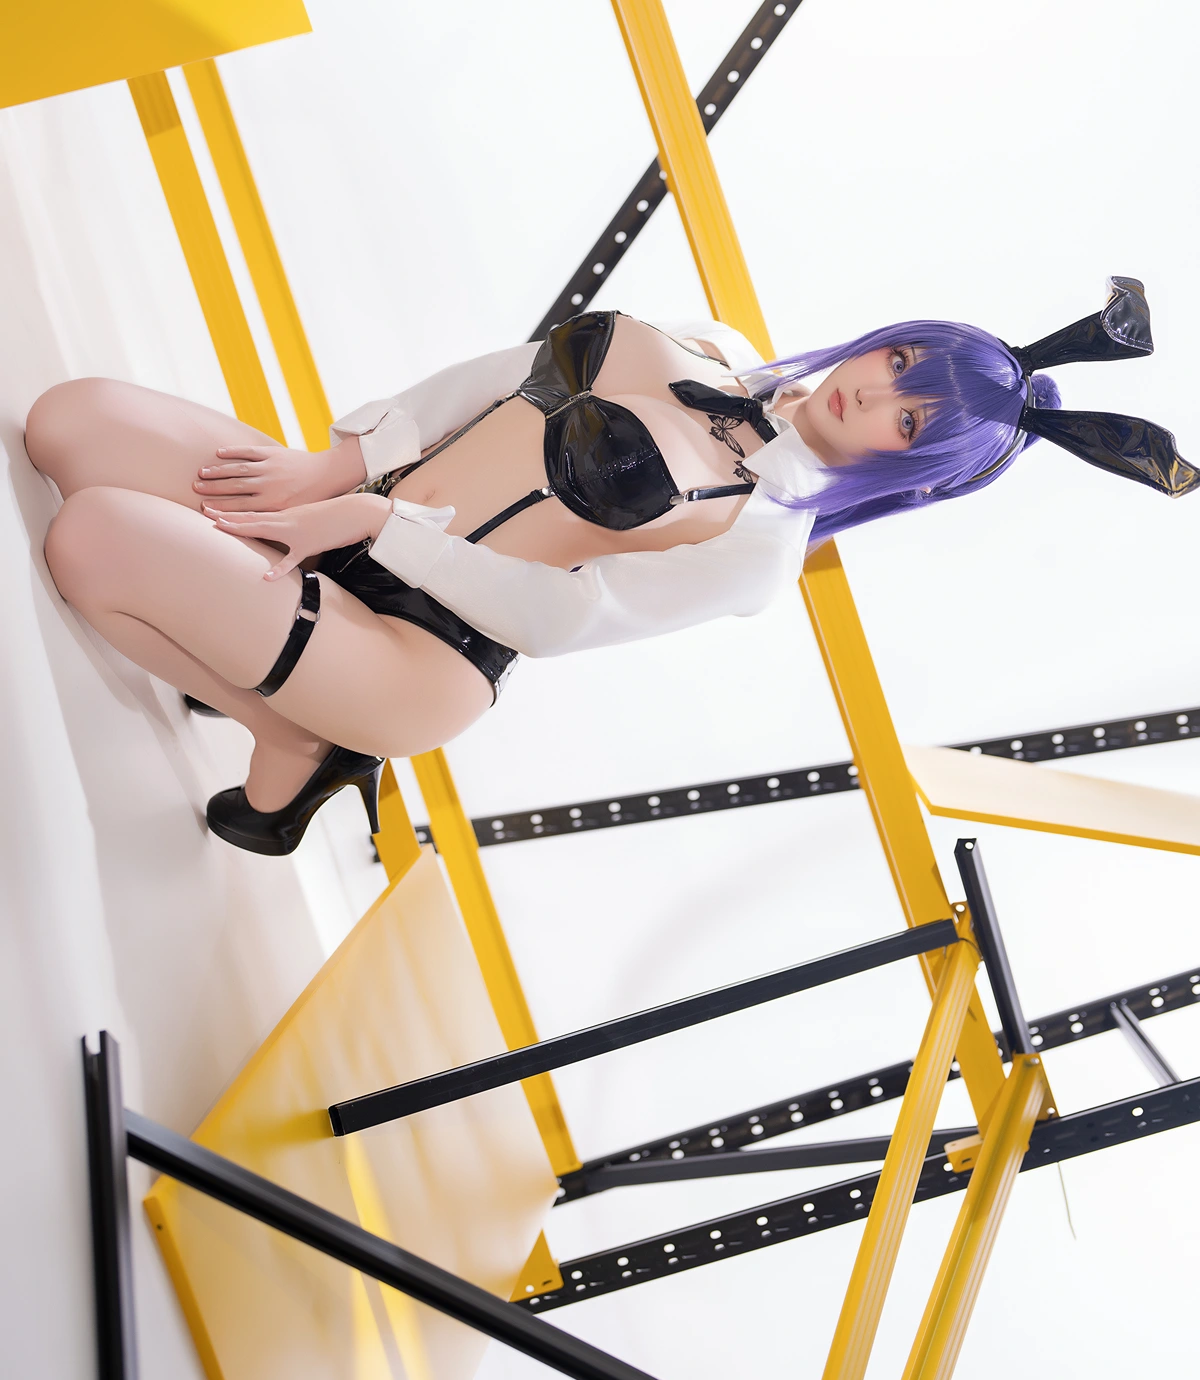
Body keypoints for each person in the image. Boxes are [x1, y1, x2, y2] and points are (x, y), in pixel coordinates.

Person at [25, 281, 1194, 856]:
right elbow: (495, 383)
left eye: (911, 419)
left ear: (914, 467)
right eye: (902, 364)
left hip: (419, 656)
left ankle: (301, 734)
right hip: (353, 515)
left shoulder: (762, 548)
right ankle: (274, 666)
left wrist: (376, 527)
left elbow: (559, 616)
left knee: (92, 539)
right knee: (68, 426)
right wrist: (330, 466)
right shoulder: (713, 350)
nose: (876, 392)